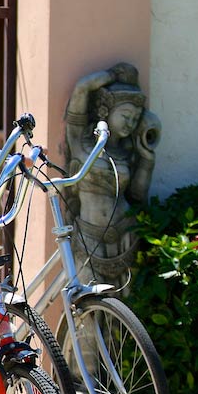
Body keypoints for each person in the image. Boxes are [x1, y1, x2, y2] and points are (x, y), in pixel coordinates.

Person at [63, 62, 160, 287]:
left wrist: (147, 161)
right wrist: (112, 75)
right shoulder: (82, 145)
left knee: (122, 310)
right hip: (89, 234)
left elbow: (137, 198)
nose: (130, 123)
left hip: (125, 233)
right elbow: (82, 88)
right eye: (125, 115)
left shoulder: (126, 154)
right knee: (87, 303)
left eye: (135, 119)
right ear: (106, 111)